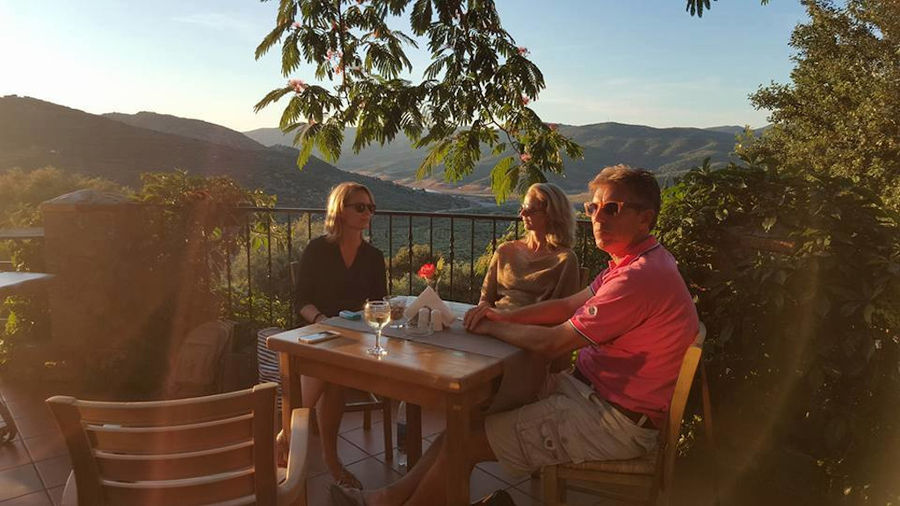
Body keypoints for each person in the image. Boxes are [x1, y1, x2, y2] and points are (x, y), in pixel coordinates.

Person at [330, 165, 699, 506]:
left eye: (612, 209)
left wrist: (493, 324)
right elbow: (566, 305)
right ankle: (383, 500)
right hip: (593, 394)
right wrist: (495, 313)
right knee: (463, 427)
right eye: (593, 207)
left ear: (646, 218)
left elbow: (554, 341)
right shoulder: (633, 263)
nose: (598, 218)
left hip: (612, 420)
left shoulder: (637, 278)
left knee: (464, 443)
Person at [294, 182, 387, 489]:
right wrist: (323, 321)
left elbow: (378, 303)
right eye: (360, 207)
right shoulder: (318, 250)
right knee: (330, 373)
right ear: (340, 210)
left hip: (354, 338)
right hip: (317, 332)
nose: (367, 214)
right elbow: (301, 301)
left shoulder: (373, 257)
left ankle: (288, 436)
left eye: (370, 208)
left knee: (331, 372)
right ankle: (331, 461)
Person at [478, 182, 580, 310]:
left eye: (530, 209)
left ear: (550, 215)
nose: (522, 214)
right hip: (496, 321)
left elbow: (566, 310)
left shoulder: (564, 260)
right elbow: (485, 298)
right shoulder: (505, 251)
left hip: (535, 327)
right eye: (522, 207)